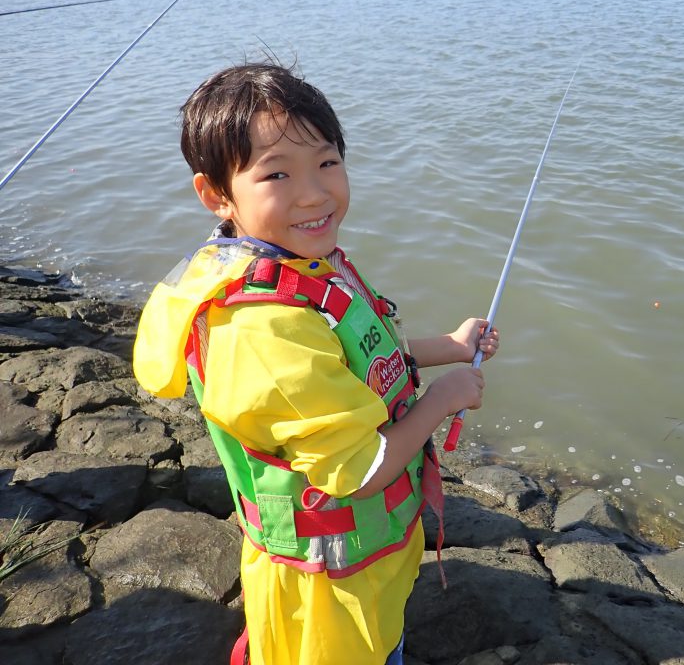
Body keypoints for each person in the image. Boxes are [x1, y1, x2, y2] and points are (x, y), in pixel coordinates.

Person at [133, 63, 499, 665]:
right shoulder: (257, 329)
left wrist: (452, 348)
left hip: (368, 571)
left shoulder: (301, 266)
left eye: (327, 162)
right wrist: (444, 397)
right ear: (216, 194)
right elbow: (358, 472)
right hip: (325, 596)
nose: (314, 193)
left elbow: (362, 355)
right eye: (276, 173)